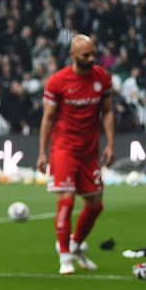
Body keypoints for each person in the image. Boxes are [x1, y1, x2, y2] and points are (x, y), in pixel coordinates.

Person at [36, 34, 115, 275]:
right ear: (73, 55)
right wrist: (42, 151)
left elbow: (108, 112)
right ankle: (65, 257)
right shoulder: (58, 81)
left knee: (95, 205)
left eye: (93, 53)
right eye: (86, 55)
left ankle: (76, 244)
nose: (92, 58)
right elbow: (48, 117)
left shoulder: (102, 77)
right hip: (64, 148)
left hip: (89, 150)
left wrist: (110, 144)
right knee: (67, 200)